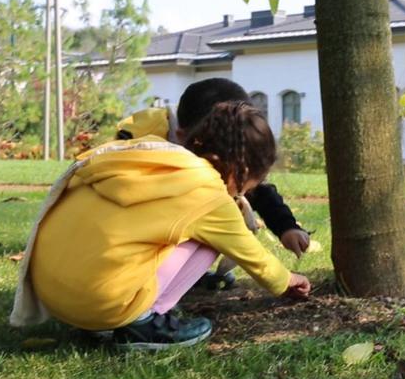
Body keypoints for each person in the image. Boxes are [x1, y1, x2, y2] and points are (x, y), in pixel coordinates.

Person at [10, 101, 311, 350]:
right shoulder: (207, 194)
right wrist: (287, 280)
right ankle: (145, 322)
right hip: (101, 303)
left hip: (55, 297)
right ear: (240, 168)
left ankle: (108, 322)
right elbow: (254, 258)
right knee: (210, 239)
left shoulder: (149, 156)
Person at [117, 78, 310, 290]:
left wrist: (286, 227)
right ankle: (154, 288)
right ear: (184, 137)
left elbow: (255, 187)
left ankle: (181, 279)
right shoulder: (141, 144)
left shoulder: (205, 145)